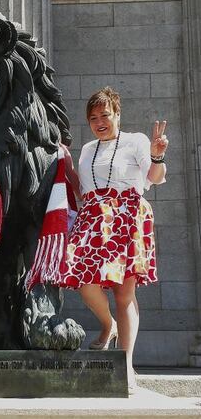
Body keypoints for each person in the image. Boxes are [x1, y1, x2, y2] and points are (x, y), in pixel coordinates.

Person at [59, 86, 168, 391]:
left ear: (117, 114)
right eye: (93, 117)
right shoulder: (89, 149)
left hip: (127, 215)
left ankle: (127, 365)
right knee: (82, 279)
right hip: (94, 217)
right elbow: (83, 190)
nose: (99, 121)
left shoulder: (136, 141)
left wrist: (157, 157)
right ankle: (109, 325)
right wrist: (64, 165)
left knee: (124, 293)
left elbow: (155, 178)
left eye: (104, 114)